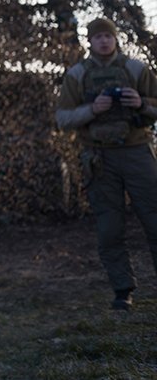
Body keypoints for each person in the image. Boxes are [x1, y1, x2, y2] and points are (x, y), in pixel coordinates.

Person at [55, 17, 157, 311]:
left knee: (154, 219)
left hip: (137, 152)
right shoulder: (77, 75)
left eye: (108, 36)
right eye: (97, 37)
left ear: (115, 39)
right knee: (109, 227)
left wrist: (140, 104)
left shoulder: (135, 69)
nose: (103, 41)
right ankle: (122, 290)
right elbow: (62, 118)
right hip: (99, 158)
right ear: (89, 41)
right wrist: (92, 109)